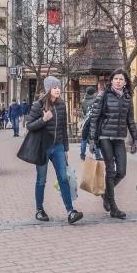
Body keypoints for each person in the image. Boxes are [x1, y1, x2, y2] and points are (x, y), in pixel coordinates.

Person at [26, 77, 83, 224]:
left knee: (63, 178)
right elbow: (30, 126)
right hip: (43, 148)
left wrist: (65, 148)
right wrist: (43, 120)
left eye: (59, 87)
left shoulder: (62, 105)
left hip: (58, 146)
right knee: (41, 180)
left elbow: (63, 128)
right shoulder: (37, 105)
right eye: (54, 87)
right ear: (48, 89)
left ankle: (71, 211)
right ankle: (39, 210)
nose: (58, 89)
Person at [86, 69, 137, 219]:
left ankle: (105, 194)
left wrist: (134, 139)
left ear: (125, 82)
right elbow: (95, 118)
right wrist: (92, 140)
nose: (118, 81)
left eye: (121, 79)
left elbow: (130, 120)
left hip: (119, 138)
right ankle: (113, 207)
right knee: (110, 170)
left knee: (121, 171)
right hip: (105, 137)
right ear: (111, 81)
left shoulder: (128, 97)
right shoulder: (103, 95)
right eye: (115, 79)